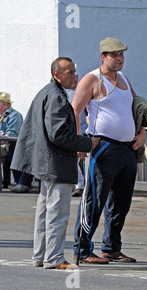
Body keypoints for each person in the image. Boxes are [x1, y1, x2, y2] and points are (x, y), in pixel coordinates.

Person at [11, 57, 98, 270]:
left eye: (75, 72)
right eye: (69, 73)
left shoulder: (47, 92)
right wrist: (87, 142)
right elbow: (58, 134)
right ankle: (54, 258)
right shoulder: (57, 96)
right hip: (56, 163)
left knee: (44, 213)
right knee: (57, 213)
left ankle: (41, 256)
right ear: (57, 75)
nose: (74, 76)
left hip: (46, 162)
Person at [72, 37, 145, 264]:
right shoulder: (91, 79)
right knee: (94, 199)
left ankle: (112, 248)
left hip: (127, 148)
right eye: (114, 55)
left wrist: (141, 131)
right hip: (103, 146)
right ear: (103, 56)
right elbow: (75, 110)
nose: (120, 59)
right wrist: (78, 143)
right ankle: (82, 250)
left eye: (122, 55)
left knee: (121, 202)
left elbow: (137, 106)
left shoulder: (123, 78)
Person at [65, 72, 87, 197]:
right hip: (69, 130)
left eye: (76, 76)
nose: (74, 79)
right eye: (72, 76)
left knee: (82, 158)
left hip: (83, 129)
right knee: (74, 158)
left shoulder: (82, 90)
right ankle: (79, 184)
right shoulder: (64, 92)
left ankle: (82, 185)